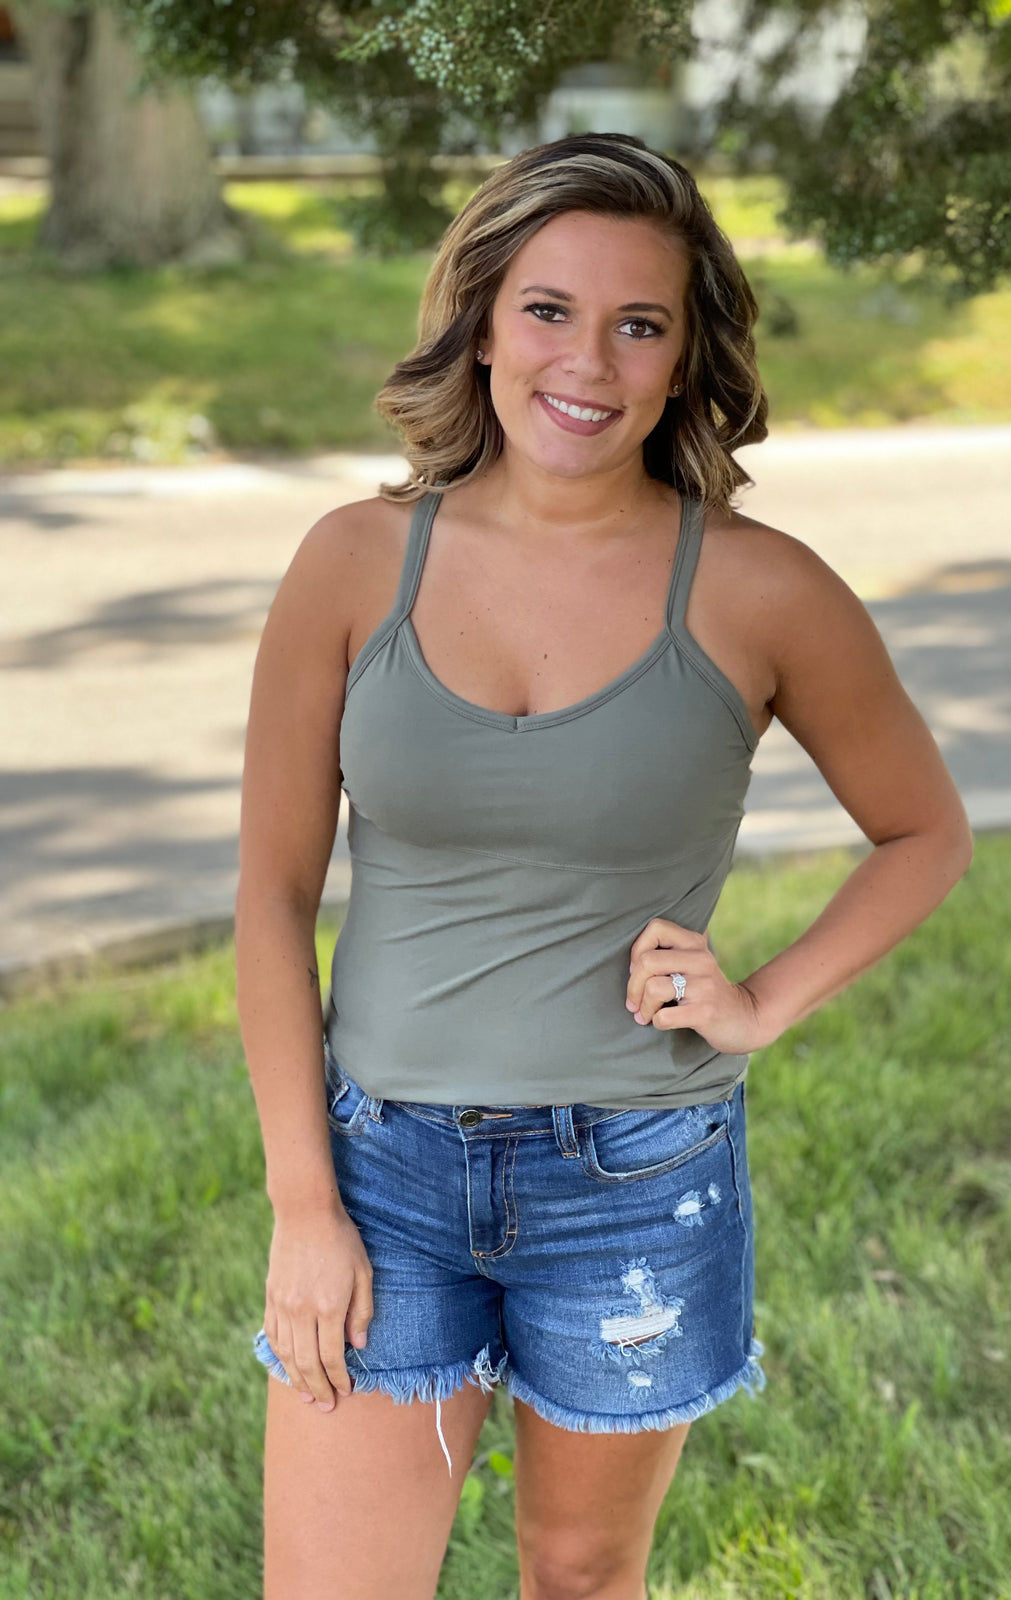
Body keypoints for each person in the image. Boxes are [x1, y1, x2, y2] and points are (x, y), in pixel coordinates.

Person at [238, 131, 973, 1600]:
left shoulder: (762, 589)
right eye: (548, 309)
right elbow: (270, 895)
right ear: (482, 325)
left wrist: (762, 1002)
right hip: (382, 1166)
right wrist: (305, 1207)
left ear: (687, 358)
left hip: (635, 1175)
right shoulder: (354, 562)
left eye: (640, 323)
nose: (588, 361)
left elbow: (925, 832)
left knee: (580, 1577)